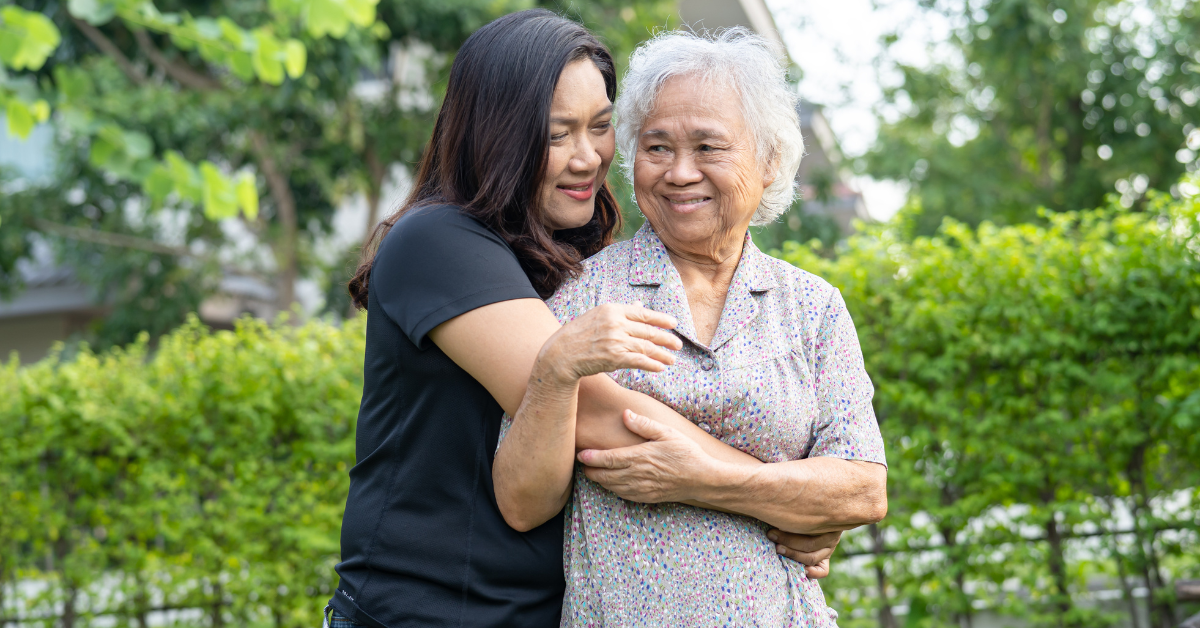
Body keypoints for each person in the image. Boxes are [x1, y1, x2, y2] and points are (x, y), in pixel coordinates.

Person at [329, 10, 826, 628]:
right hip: (426, 612)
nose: (587, 157)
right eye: (557, 133)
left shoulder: (580, 252)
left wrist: (793, 499)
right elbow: (598, 414)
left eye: (600, 126)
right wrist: (787, 500)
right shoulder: (439, 242)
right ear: (495, 134)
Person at [493, 29, 889, 626]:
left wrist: (701, 479)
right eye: (656, 148)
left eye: (709, 147)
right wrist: (554, 372)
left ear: (769, 160)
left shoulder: (812, 307)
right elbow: (522, 504)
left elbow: (862, 490)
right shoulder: (583, 292)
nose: (679, 173)